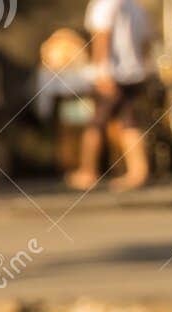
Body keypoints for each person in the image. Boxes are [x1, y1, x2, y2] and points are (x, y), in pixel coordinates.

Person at [69, 0, 152, 192]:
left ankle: (87, 171)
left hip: (112, 74)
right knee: (129, 122)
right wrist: (145, 68)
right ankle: (139, 170)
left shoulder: (104, 5)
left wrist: (102, 70)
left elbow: (101, 37)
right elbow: (146, 41)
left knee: (96, 122)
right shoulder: (136, 7)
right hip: (134, 73)